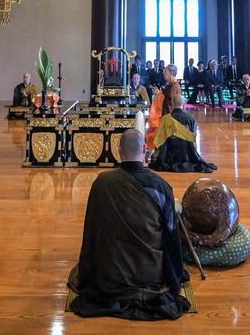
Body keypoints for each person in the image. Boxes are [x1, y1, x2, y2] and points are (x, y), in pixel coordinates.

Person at [68, 128, 190, 320]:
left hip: (109, 275)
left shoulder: (102, 183)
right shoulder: (159, 185)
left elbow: (91, 231)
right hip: (150, 273)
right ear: (144, 149)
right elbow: (171, 233)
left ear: (118, 150)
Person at [150, 85, 217, 173]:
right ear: (183, 104)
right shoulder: (190, 118)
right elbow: (193, 138)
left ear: (172, 104)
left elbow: (159, 139)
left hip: (169, 154)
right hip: (186, 153)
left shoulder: (166, 118)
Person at [147, 65, 179, 146]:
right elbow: (166, 96)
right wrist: (160, 94)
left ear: (171, 73)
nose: (163, 72)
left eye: (166, 71)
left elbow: (171, 102)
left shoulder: (175, 86)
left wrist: (159, 95)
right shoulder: (170, 85)